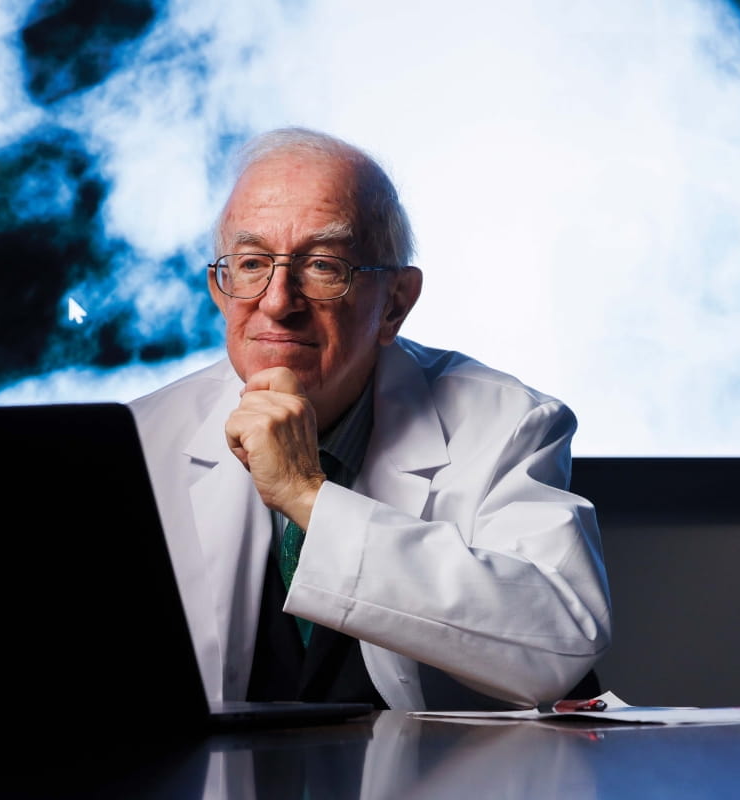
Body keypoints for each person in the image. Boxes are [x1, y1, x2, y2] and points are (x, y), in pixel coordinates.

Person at [129, 127, 610, 711]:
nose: (277, 302)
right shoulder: (141, 439)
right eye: (252, 263)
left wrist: (305, 493)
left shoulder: (510, 422)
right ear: (219, 289)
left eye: (323, 266)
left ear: (395, 304)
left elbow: (560, 646)